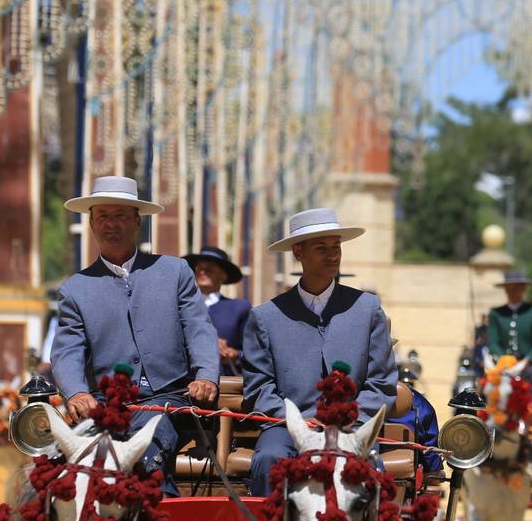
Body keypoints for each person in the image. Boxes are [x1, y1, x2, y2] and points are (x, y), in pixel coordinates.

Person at [51, 176, 220, 496]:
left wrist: (206, 375)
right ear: (91, 223)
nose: (110, 223)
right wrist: (74, 393)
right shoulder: (75, 290)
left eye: (119, 215)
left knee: (144, 455)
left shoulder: (175, 272)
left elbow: (199, 328)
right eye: (102, 216)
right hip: (106, 409)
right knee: (59, 476)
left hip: (169, 403)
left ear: (136, 221)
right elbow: (66, 351)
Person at [242, 207, 397, 495]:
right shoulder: (265, 317)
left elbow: (382, 381)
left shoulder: (367, 309)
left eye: (336, 246)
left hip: (353, 427)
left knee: (372, 471)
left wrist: (353, 419)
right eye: (321, 247)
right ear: (298, 252)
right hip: (287, 429)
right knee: (267, 460)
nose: (332, 254)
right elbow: (259, 388)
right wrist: (296, 422)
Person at [184, 245, 252, 376]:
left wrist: (234, 355)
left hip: (223, 383)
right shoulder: (181, 306)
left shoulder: (239, 308)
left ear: (223, 276)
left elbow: (254, 351)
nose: (203, 272)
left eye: (209, 269)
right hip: (183, 382)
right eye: (199, 269)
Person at [486, 269, 532, 401]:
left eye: (516, 288)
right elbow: (493, 342)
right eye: (509, 288)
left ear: (523, 289)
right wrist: (503, 360)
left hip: (529, 364)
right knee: (485, 382)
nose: (512, 292)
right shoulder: (496, 314)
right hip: (502, 363)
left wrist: (527, 361)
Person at [388, 363, 442, 476]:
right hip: (410, 478)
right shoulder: (423, 406)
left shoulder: (365, 397)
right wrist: (433, 472)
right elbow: (430, 449)